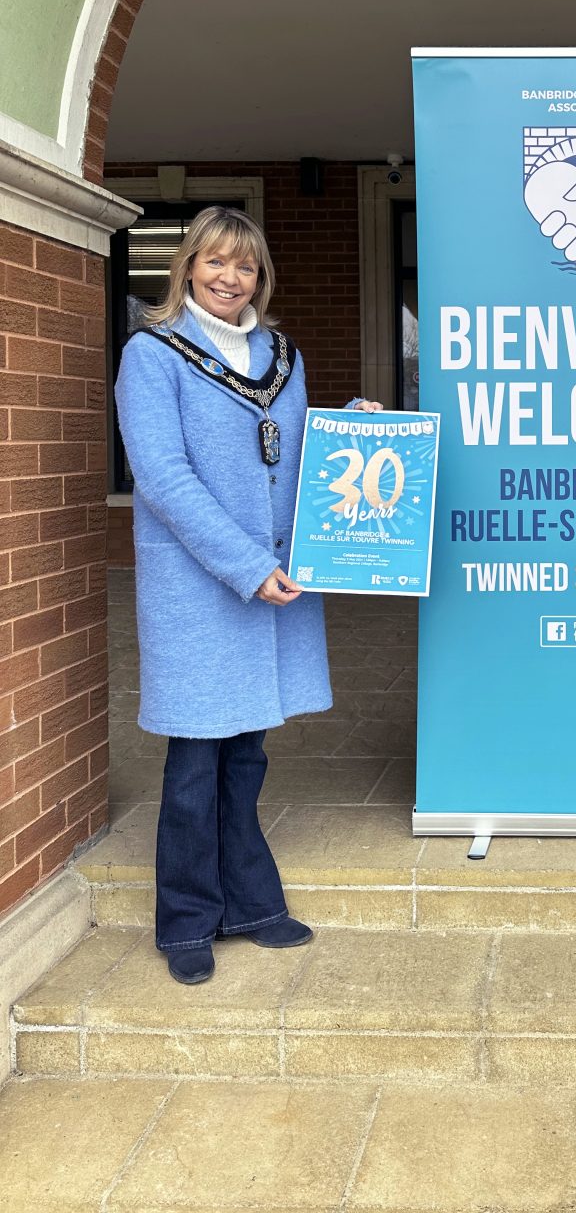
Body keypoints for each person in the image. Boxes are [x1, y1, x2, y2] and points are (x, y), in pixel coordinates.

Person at [115, 206, 381, 985]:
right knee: (197, 759)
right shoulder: (153, 354)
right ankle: (188, 920)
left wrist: (353, 430)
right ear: (187, 267)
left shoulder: (282, 353)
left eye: (246, 267)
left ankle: (251, 904)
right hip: (202, 587)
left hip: (272, 578)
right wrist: (243, 564)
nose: (231, 278)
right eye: (215, 262)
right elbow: (162, 479)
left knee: (248, 753)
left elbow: (297, 454)